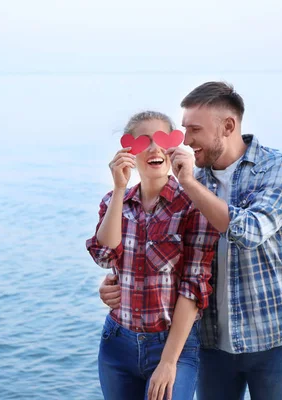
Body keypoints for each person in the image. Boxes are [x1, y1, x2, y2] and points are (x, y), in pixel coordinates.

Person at [100, 82, 282, 400]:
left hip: (270, 335)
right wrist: (116, 282)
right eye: (183, 130)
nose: (185, 140)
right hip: (210, 341)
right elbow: (148, 246)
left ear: (228, 126)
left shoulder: (276, 171)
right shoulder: (190, 175)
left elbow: (248, 231)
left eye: (194, 130)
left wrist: (190, 183)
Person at [86, 111, 219, 400]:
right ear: (129, 152)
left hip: (172, 344)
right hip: (117, 342)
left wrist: (169, 362)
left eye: (161, 138)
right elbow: (105, 256)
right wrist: (120, 188)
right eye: (143, 141)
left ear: (174, 147)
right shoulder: (113, 201)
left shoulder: (192, 205)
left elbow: (193, 286)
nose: (154, 148)